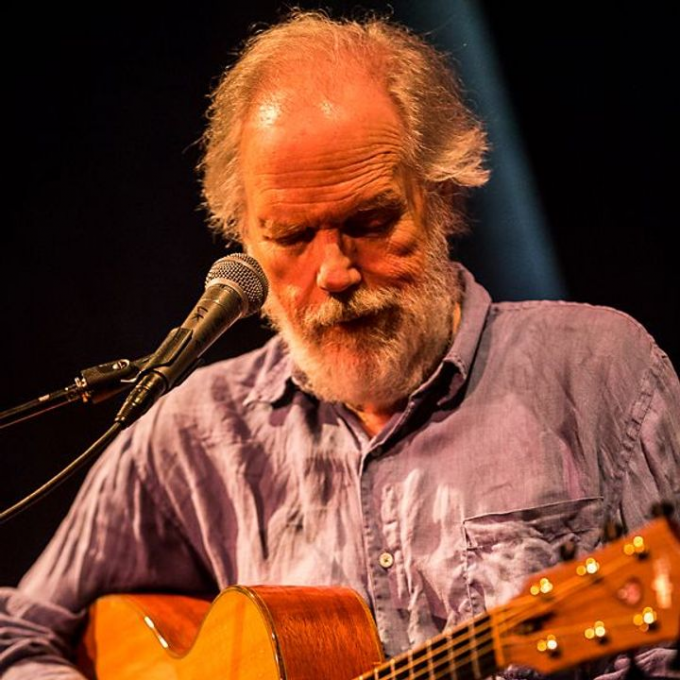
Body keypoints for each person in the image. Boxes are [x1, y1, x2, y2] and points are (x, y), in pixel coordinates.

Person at [1, 10, 679, 679]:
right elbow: (18, 630)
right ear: (244, 239)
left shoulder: (598, 372)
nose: (334, 274)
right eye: (292, 237)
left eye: (371, 220)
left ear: (441, 197)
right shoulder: (195, 433)